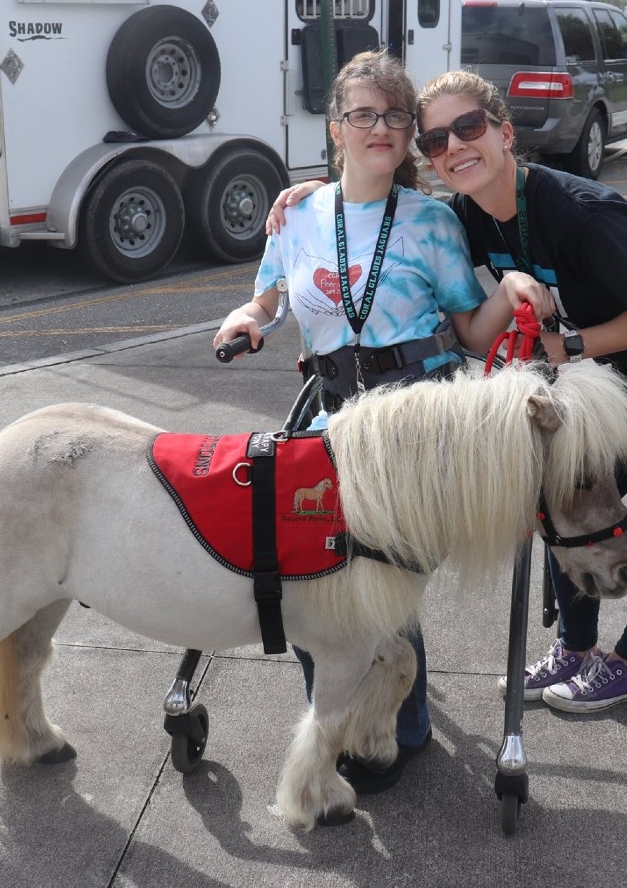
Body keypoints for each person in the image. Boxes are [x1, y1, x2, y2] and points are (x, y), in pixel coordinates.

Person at [272, 68, 627, 715]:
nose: (454, 146)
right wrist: (316, 192)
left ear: (505, 133)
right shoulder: (475, 212)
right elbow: (373, 208)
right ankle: (574, 649)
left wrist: (570, 347)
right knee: (559, 497)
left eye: (468, 127)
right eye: (436, 138)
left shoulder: (581, 214)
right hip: (616, 386)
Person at [214, 51, 552, 794]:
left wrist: (516, 288)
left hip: (414, 421)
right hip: (332, 420)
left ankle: (399, 720)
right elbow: (267, 301)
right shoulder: (298, 214)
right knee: (313, 574)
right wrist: (245, 321)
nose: (379, 127)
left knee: (384, 583)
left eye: (395, 116)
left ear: (406, 136)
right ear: (336, 127)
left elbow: (469, 329)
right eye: (362, 114)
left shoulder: (431, 221)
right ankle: (331, 716)